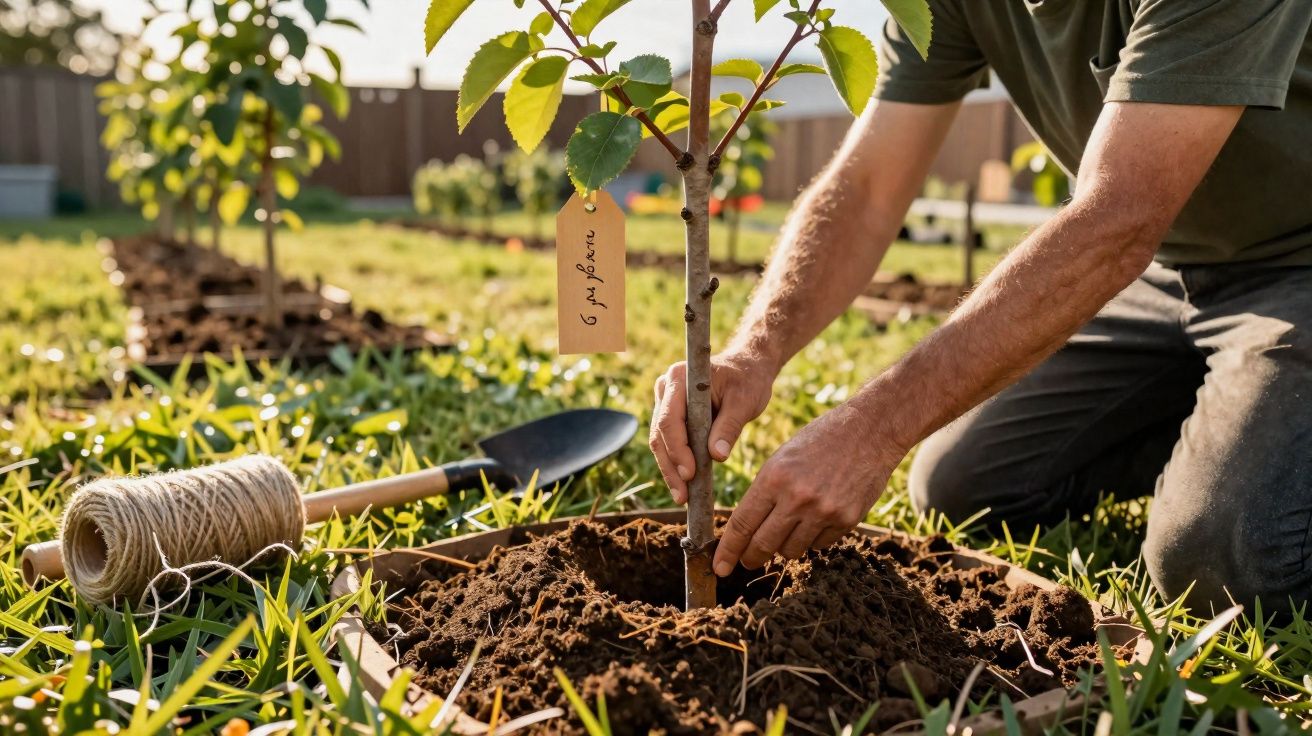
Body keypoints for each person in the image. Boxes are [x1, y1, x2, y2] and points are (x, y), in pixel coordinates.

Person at [649, 0, 1312, 614]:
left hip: (1297, 264)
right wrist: (752, 351)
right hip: (1165, 271)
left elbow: (1120, 215)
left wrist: (872, 430)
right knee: (961, 489)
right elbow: (869, 186)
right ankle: (1241, 417)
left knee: (1219, 559)